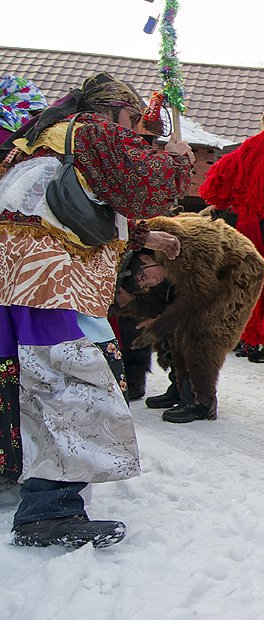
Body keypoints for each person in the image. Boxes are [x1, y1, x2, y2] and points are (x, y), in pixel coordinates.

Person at [0, 72, 194, 549]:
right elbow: (149, 188)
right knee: (70, 390)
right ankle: (49, 513)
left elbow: (85, 200)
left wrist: (143, 233)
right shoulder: (94, 130)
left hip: (21, 280)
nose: (134, 131)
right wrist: (176, 158)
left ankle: (30, 487)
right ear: (111, 111)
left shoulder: (43, 137)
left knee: (29, 386)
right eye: (131, 118)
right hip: (52, 285)